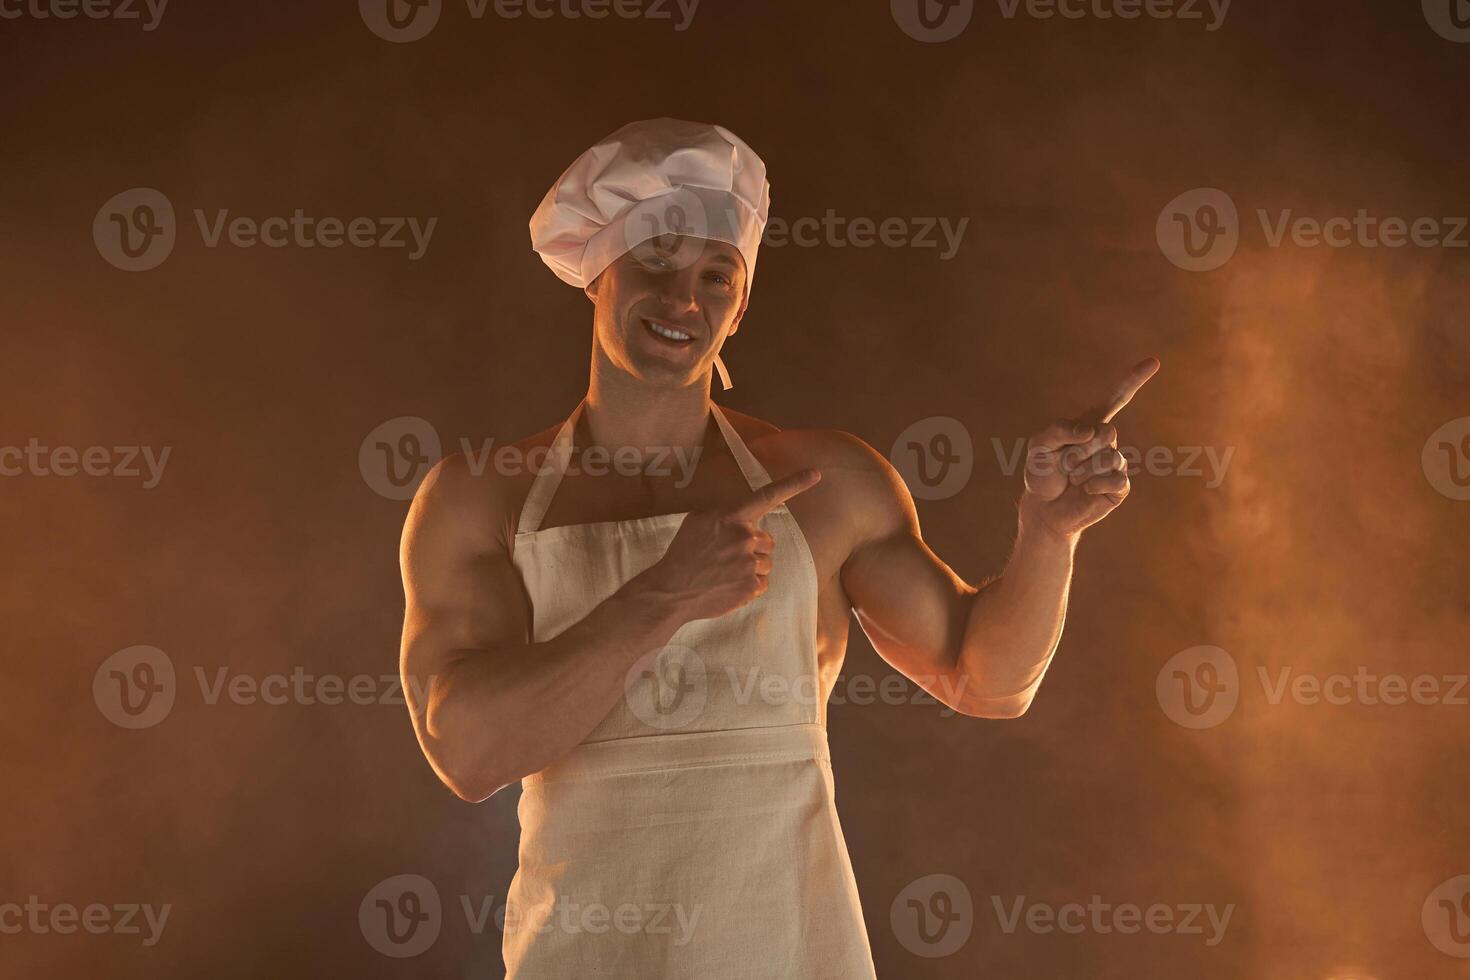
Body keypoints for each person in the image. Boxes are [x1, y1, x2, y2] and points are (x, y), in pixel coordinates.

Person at [398, 117, 1158, 978]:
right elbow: (467, 753)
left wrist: (1047, 534)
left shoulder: (828, 483)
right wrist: (662, 597)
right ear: (596, 276)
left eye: (715, 274)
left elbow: (986, 680)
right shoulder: (480, 497)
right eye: (653, 260)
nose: (683, 299)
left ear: (743, 300)